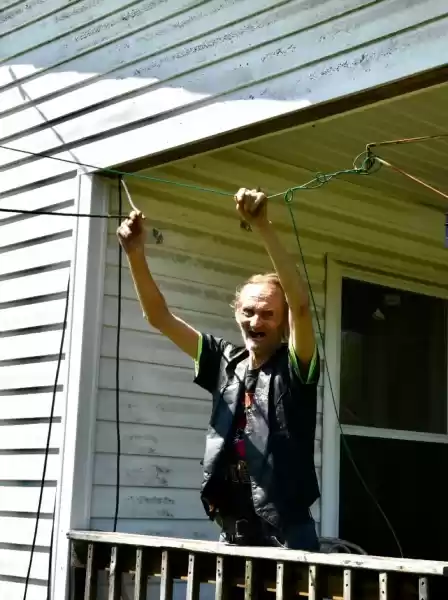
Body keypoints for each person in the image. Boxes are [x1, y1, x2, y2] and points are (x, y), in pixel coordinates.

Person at [117, 187, 321, 551]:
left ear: (284, 321)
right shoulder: (224, 361)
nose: (256, 320)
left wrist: (262, 225)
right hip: (235, 531)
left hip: (287, 535)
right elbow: (159, 317)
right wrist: (135, 253)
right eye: (248, 311)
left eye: (269, 313)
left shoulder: (295, 365)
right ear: (236, 312)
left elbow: (301, 306)